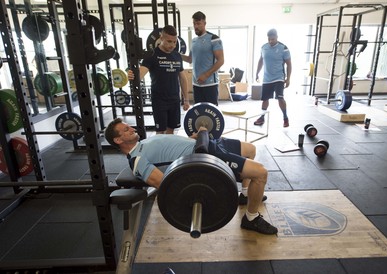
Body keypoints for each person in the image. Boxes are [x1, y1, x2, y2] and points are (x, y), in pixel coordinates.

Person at [105, 118, 278, 235]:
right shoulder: (137, 160)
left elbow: (170, 149)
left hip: (205, 142)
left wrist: (191, 138)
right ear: (118, 141)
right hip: (205, 153)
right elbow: (164, 183)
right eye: (126, 130)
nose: (132, 128)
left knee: (251, 150)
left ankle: (246, 194)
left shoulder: (142, 143)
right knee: (261, 173)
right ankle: (251, 218)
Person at [128, 25, 189, 134]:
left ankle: (169, 151)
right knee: (160, 131)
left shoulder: (177, 56)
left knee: (171, 130)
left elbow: (183, 78)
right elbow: (141, 73)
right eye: (169, 41)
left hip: (175, 100)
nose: (172, 45)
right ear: (161, 38)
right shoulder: (152, 55)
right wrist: (133, 76)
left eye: (174, 42)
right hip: (159, 100)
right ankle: (160, 151)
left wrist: (186, 99)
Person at [181, 11, 224, 106]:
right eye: (194, 24)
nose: (196, 26)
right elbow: (189, 59)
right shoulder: (194, 41)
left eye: (198, 23)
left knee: (211, 113)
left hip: (210, 84)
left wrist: (206, 75)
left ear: (204, 23)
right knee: (199, 113)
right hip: (196, 84)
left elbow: (221, 61)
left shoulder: (214, 38)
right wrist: (176, 54)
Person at [254, 28, 292, 128]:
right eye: (269, 39)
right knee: (265, 99)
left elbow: (289, 64)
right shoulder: (264, 47)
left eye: (273, 39)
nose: (271, 41)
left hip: (279, 78)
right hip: (266, 78)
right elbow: (261, 60)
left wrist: (288, 78)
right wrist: (257, 73)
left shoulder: (283, 48)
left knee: (280, 98)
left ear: (277, 37)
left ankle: (285, 118)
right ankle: (262, 118)